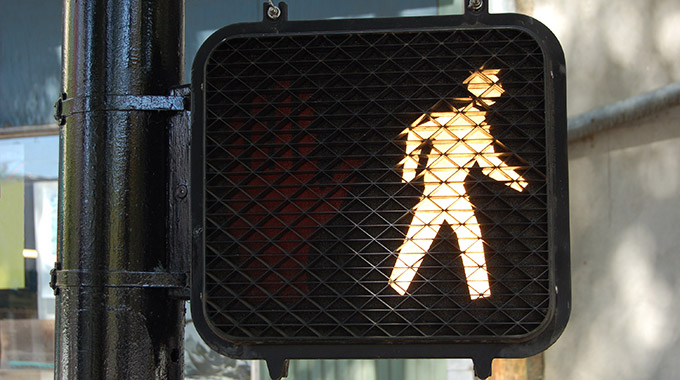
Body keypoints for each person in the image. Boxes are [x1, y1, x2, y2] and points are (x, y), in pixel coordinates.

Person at [389, 69, 528, 300]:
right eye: (495, 85)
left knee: (438, 237)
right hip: (440, 189)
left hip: (454, 190)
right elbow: (414, 132)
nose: (500, 91)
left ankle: (398, 288)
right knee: (461, 237)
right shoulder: (449, 118)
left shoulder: (479, 128)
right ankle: (480, 296)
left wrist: (519, 181)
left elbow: (489, 165)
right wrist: (408, 170)